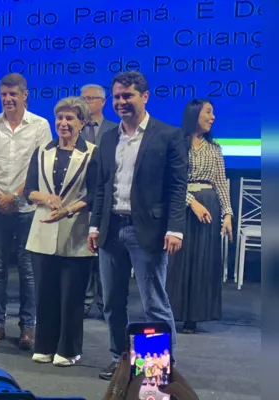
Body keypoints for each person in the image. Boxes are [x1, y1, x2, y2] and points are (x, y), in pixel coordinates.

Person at [87, 71, 188, 380]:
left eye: (127, 95)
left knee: (153, 303)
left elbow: (177, 187)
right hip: (110, 229)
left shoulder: (168, 135)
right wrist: (94, 226)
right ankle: (121, 361)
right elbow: (102, 187)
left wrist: (175, 228)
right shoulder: (108, 138)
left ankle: (154, 368)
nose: (121, 102)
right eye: (117, 97)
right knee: (112, 304)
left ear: (144, 96)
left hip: (149, 231)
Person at [0, 73, 51, 349]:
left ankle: (27, 328)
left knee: (27, 269)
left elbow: (39, 168)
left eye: (13, 94)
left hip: (26, 208)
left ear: (24, 95)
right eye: (4, 94)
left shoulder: (41, 126)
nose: (8, 99)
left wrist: (14, 196)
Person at [25, 96, 99, 367]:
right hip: (42, 231)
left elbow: (95, 194)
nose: (63, 123)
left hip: (75, 232)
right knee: (45, 294)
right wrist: (45, 198)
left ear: (82, 122)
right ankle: (44, 344)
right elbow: (28, 190)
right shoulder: (42, 150)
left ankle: (68, 349)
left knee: (71, 297)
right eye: (60, 118)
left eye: (70, 118)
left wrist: (68, 209)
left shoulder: (92, 152)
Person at [166, 99, 233, 334]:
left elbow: (221, 184)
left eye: (213, 113)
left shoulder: (215, 149)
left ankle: (194, 316)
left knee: (202, 261)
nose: (212, 117)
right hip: (182, 205)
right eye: (208, 112)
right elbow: (172, 181)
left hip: (209, 206)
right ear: (195, 114)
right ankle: (171, 311)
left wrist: (227, 214)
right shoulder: (177, 144)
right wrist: (191, 202)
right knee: (179, 260)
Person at [79, 83, 118, 318]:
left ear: (103, 102)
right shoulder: (73, 128)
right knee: (83, 253)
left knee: (104, 254)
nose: (86, 103)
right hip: (80, 198)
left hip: (107, 199)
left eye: (91, 99)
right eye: (83, 99)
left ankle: (106, 303)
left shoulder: (114, 130)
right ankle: (84, 302)